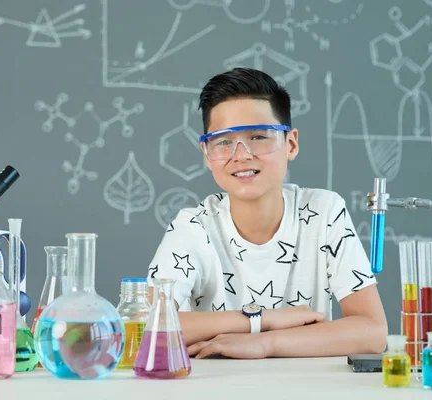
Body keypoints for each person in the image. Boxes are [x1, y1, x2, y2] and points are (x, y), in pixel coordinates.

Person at [147, 67, 387, 359]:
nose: (242, 154)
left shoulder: (323, 212)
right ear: (206, 153)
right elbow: (143, 325)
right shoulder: (193, 226)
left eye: (259, 136)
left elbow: (372, 332)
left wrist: (265, 343)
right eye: (223, 141)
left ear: (291, 143)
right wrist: (262, 319)